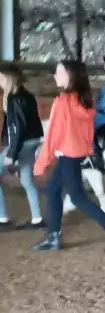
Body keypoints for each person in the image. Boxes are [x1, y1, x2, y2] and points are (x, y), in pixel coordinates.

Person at [33, 59, 105, 252]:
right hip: (75, 153)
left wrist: (42, 161)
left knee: (77, 197)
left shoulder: (63, 102)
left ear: (71, 76)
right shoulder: (82, 99)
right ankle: (53, 236)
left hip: (67, 154)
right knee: (52, 190)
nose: (55, 76)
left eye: (59, 72)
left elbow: (53, 135)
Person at [1, 67, 44, 230]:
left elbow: (18, 127)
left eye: (1, 78)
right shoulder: (27, 95)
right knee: (27, 180)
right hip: (32, 141)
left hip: (21, 144)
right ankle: (37, 218)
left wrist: (12, 153)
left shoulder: (14, 98)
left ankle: (2, 218)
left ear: (9, 79)